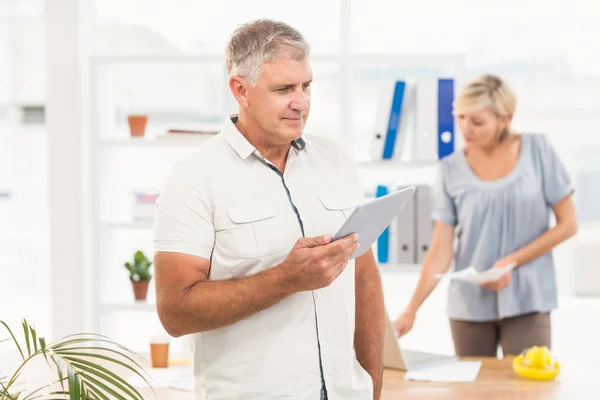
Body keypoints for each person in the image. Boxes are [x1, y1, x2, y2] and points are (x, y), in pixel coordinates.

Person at [153, 19, 385, 400]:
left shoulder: (336, 160)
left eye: (306, 85)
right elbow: (175, 312)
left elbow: (364, 277)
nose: (301, 102)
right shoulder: (193, 178)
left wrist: (373, 385)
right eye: (284, 89)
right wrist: (286, 279)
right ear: (240, 90)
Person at [394, 74, 578, 357]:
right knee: (473, 393)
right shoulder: (450, 169)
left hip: (529, 298)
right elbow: (441, 249)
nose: (465, 128)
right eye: (461, 117)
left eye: (477, 121)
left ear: (504, 119)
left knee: (530, 391)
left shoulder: (537, 150)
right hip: (469, 305)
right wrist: (411, 311)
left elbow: (568, 225)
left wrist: (510, 263)